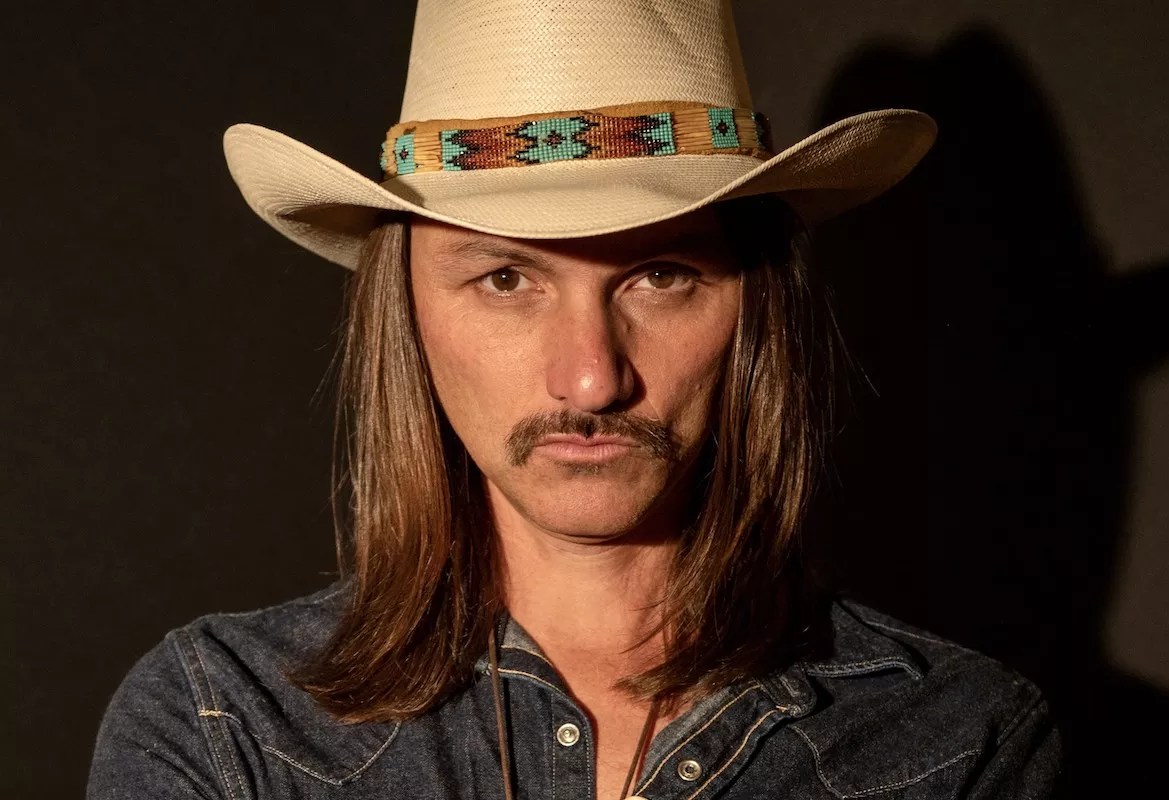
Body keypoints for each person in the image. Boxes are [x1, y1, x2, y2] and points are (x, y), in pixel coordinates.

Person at [87, 1, 1063, 798]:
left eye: (662, 276)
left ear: (758, 307)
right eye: (506, 278)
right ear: (407, 310)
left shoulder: (956, 742)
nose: (593, 378)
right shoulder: (228, 725)